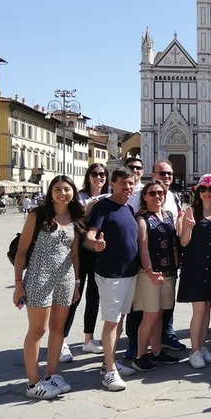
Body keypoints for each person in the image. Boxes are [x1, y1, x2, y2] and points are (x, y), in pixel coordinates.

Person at [13, 175, 84, 399]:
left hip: (65, 278)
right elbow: (21, 252)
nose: (62, 193)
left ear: (73, 191)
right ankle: (33, 384)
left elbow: (74, 255)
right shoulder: (38, 215)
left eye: (66, 189)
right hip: (39, 276)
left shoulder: (75, 217)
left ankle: (50, 375)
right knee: (37, 330)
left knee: (58, 328)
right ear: (50, 192)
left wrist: (76, 282)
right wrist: (17, 284)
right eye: (57, 189)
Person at [84, 167, 140, 391]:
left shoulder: (128, 208)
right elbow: (90, 234)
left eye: (130, 184)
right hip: (111, 273)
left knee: (120, 322)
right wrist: (95, 243)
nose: (127, 187)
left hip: (129, 272)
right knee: (111, 322)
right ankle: (109, 372)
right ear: (113, 185)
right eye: (123, 183)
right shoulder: (104, 206)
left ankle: (110, 361)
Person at [61, 163, 110, 363]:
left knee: (94, 296)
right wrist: (88, 208)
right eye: (95, 174)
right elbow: (71, 221)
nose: (99, 177)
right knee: (74, 296)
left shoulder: (109, 197)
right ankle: (61, 341)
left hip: (100, 252)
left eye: (102, 174)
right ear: (88, 177)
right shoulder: (79, 196)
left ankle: (88, 339)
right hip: (79, 252)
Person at [131, 181, 181, 372]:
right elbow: (143, 249)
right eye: (152, 193)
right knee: (150, 316)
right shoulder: (142, 219)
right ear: (144, 196)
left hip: (168, 272)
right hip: (150, 273)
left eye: (160, 193)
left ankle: (157, 352)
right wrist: (150, 272)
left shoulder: (168, 215)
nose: (157, 196)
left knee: (160, 313)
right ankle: (140, 355)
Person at [177, 174, 211, 369]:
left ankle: (203, 346)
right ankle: (194, 350)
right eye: (203, 189)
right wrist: (188, 228)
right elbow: (183, 242)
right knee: (198, 310)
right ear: (198, 192)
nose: (207, 193)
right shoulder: (190, 211)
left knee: (207, 309)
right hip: (195, 266)